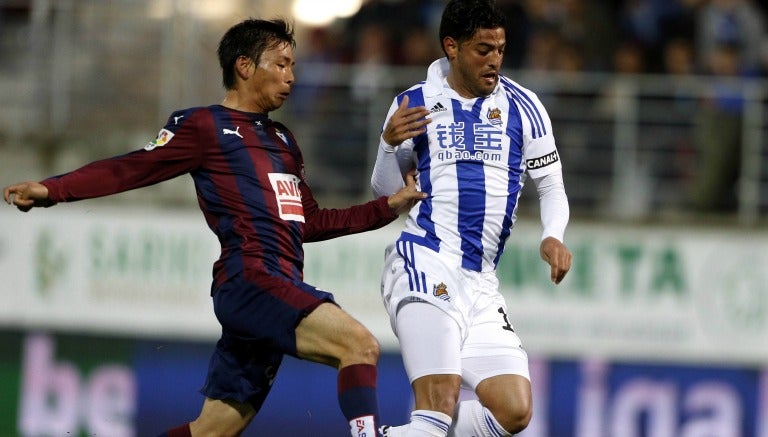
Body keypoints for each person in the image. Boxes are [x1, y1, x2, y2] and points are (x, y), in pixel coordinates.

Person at [3, 18, 425, 437]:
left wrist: (386, 207)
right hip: (251, 281)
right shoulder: (204, 126)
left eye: (293, 65)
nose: (292, 76)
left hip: (274, 285)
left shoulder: (283, 141)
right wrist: (52, 189)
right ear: (244, 66)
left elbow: (309, 222)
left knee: (211, 431)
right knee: (359, 345)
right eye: (280, 64)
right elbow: (132, 168)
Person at [370, 1, 572, 436]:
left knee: (514, 412)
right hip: (424, 260)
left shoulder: (525, 106)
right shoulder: (413, 103)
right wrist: (388, 146)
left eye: (500, 49)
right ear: (452, 48)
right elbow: (386, 196)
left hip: (480, 283)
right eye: (483, 49)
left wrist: (552, 235)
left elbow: (552, 185)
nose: (495, 60)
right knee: (438, 404)